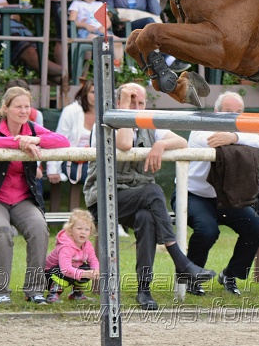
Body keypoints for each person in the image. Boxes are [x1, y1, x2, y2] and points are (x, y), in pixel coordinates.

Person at [82, 82, 214, 310]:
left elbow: (181, 141)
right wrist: (124, 105)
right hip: (105, 199)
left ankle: (144, 290)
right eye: (130, 100)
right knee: (153, 191)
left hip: (138, 200)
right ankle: (181, 261)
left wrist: (160, 144)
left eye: (140, 102)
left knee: (146, 218)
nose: (136, 106)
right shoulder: (106, 122)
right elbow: (124, 144)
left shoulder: (149, 125)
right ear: (119, 102)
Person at [0, 86, 71, 305]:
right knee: (2, 230)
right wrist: (18, 142)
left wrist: (35, 141)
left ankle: (34, 290)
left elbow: (63, 141)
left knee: (39, 229)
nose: (23, 111)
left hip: (22, 199)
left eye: (27, 106)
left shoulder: (32, 129)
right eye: (18, 106)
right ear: (6, 108)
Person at [184, 91, 259, 296]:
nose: (234, 116)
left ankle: (230, 275)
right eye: (228, 112)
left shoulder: (241, 131)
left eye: (238, 112)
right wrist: (245, 137)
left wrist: (234, 136)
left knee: (256, 228)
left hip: (227, 197)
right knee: (207, 231)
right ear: (216, 112)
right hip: (194, 195)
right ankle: (191, 278)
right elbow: (211, 141)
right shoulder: (201, 127)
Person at [101, 0, 189, 72]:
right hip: (122, 26)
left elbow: (156, 11)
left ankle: (161, 65)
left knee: (152, 25)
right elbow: (106, 9)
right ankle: (168, 61)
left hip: (142, 27)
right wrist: (116, 18)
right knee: (150, 24)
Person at [51, 80, 95, 208]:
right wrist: (53, 168)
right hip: (72, 160)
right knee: (101, 177)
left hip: (96, 160)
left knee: (108, 174)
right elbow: (59, 139)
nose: (97, 95)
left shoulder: (106, 112)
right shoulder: (71, 111)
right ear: (85, 94)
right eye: (93, 92)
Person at [43, 208, 100, 303]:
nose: (83, 232)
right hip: (49, 275)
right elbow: (65, 269)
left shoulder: (87, 245)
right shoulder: (65, 246)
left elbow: (93, 259)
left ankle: (77, 294)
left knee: (87, 268)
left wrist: (95, 270)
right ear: (70, 230)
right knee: (61, 272)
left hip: (71, 272)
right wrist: (84, 273)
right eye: (79, 228)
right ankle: (53, 294)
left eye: (87, 229)